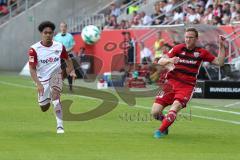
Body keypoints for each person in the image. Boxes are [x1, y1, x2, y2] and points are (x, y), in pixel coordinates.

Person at [151, 27, 226, 138]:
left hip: (186, 86)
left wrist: (221, 46)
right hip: (171, 84)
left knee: (175, 107)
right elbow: (161, 61)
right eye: (186, 37)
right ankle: (165, 123)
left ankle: (160, 131)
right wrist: (170, 60)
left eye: (190, 37)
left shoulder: (201, 52)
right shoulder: (178, 48)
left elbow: (219, 62)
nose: (188, 40)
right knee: (155, 113)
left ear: (196, 39)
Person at [28, 21, 76, 134]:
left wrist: (72, 70)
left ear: (53, 33)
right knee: (44, 107)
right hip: (42, 80)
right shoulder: (33, 49)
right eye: (46, 33)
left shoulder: (59, 46)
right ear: (41, 33)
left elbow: (68, 60)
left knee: (56, 95)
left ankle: (60, 126)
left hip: (56, 77)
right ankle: (46, 100)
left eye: (50, 33)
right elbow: (32, 68)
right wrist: (38, 84)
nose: (48, 35)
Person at [54, 22, 75, 91]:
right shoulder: (56, 37)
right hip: (59, 56)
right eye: (61, 27)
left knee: (69, 71)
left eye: (64, 27)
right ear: (60, 28)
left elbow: (72, 46)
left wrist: (66, 51)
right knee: (60, 72)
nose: (63, 28)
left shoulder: (70, 36)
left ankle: (70, 87)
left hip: (68, 55)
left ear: (66, 28)